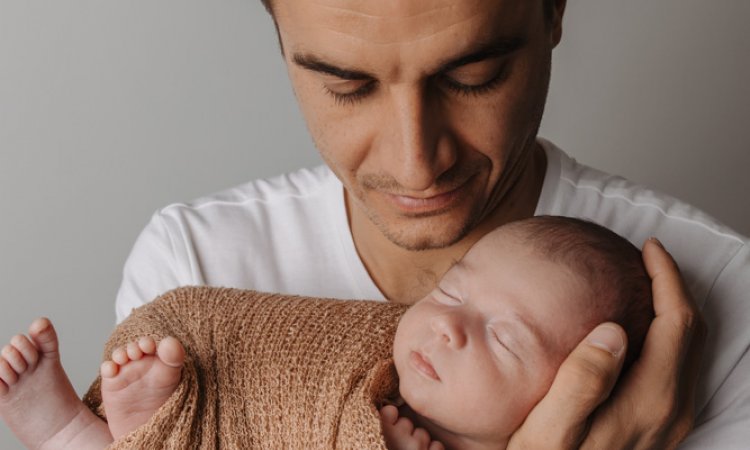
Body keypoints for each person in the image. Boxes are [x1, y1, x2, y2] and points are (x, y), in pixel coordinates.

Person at [110, 0, 749, 448]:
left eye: (473, 77)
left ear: (554, 11)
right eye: (347, 85)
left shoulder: (727, 307)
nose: (415, 165)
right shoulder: (194, 268)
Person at [0, 216, 654, 449]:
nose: (450, 326)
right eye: (451, 290)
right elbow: (299, 390)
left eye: (505, 338)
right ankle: (95, 432)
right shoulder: (379, 366)